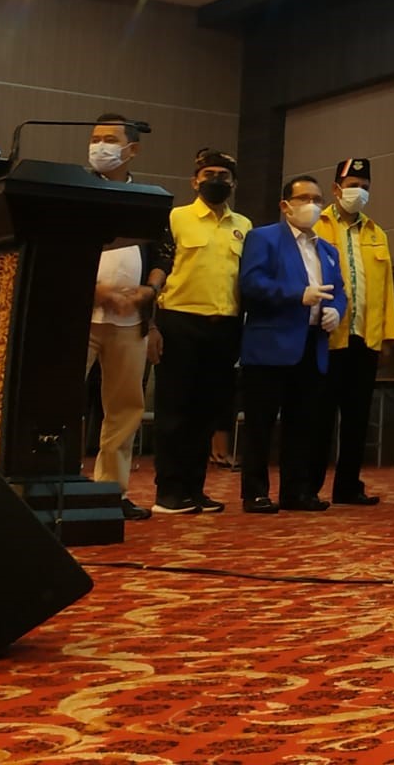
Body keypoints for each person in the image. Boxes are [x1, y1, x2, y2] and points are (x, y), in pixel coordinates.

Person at [236, 176, 346, 513]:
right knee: (261, 423)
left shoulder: (327, 250)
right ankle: (255, 492)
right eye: (304, 198)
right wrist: (297, 295)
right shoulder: (264, 238)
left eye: (317, 199)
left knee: (303, 423)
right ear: (286, 206)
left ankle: (296, 492)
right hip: (270, 345)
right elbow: (252, 284)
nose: (312, 205)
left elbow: (339, 291)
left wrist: (336, 311)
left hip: (312, 344)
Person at [152, 149, 251, 516]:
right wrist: (151, 324)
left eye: (224, 176)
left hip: (225, 327)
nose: (216, 181)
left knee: (207, 412)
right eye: (209, 174)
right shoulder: (176, 217)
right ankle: (169, 492)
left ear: (234, 183)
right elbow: (160, 265)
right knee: (174, 411)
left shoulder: (244, 225)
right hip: (180, 322)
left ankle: (195, 489)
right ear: (195, 181)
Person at [84, 115, 169, 521]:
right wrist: (95, 290)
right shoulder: (74, 191)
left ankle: (110, 491)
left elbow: (164, 254)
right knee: (56, 402)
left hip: (131, 322)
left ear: (132, 150)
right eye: (95, 139)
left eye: (109, 139)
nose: (99, 147)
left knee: (124, 409)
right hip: (78, 317)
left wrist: (149, 291)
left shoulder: (146, 199)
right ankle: (55, 484)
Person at [311, 158, 394, 506]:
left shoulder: (376, 233)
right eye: (352, 186)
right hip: (326, 337)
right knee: (320, 416)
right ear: (336, 188)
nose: (358, 192)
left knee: (357, 418)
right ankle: (310, 486)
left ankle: (348, 486)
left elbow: (386, 289)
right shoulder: (317, 225)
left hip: (365, 337)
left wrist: (387, 337)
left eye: (364, 187)